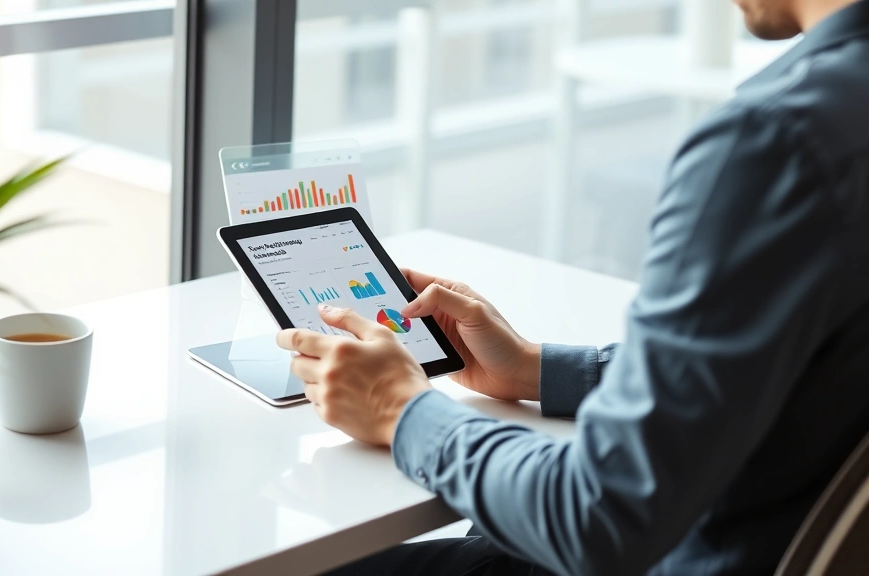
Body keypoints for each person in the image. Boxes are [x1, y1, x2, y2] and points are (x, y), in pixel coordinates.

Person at [275, 0, 869, 574]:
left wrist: (399, 409)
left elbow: (598, 518)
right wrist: (537, 369)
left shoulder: (772, 143)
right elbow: (797, 369)